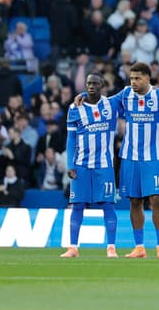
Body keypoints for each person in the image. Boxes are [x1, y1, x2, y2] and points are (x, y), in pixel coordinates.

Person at [76, 62, 159, 259]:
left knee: (156, 199)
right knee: (135, 201)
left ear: (148, 78)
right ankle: (139, 247)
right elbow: (103, 102)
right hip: (130, 158)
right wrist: (84, 97)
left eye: (138, 78)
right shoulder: (125, 94)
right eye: (131, 78)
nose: (134, 82)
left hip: (153, 158)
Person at [60, 73, 121, 259]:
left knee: (108, 205)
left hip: (104, 165)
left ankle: (111, 247)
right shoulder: (74, 108)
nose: (91, 86)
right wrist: (70, 164)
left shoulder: (112, 103)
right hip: (81, 165)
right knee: (77, 205)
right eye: (88, 83)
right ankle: (73, 247)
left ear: (103, 85)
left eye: (95, 83)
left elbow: (130, 92)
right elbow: (71, 138)